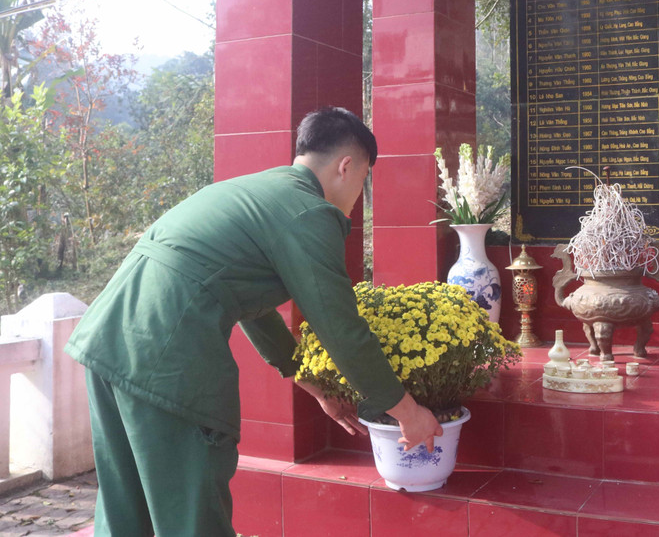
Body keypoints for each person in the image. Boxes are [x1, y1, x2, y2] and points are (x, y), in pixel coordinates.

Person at [65, 107, 442, 536]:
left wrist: (313, 385)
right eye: (365, 179)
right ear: (347, 166)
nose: (360, 193)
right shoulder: (308, 212)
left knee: (124, 510)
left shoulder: (256, 191)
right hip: (168, 360)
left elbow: (253, 310)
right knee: (191, 515)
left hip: (107, 342)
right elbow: (340, 328)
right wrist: (408, 412)